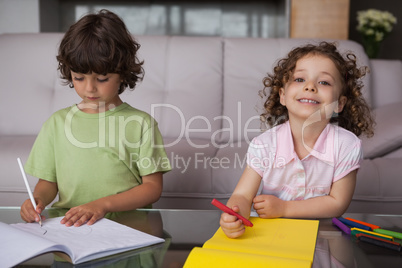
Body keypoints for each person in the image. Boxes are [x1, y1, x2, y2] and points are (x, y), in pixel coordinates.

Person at [20, 9, 171, 227]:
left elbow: (152, 188)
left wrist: (102, 205)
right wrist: (38, 200)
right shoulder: (57, 123)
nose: (89, 88)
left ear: (122, 72)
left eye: (102, 78)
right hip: (70, 227)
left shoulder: (141, 124)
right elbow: (48, 182)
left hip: (127, 226)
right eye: (79, 78)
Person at [220, 41, 375, 238]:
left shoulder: (346, 144)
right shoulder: (265, 144)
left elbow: (338, 203)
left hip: (320, 238)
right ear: (283, 96)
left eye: (324, 82)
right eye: (300, 79)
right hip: (272, 237)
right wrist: (234, 214)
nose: (310, 86)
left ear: (339, 103)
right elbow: (242, 195)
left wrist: (285, 208)